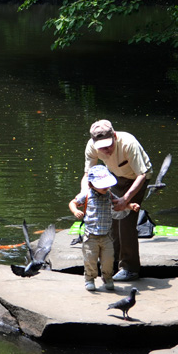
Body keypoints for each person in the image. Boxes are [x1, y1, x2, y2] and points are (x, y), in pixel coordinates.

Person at [80, 119, 152, 282]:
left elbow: (141, 175)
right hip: (113, 178)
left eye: (109, 145)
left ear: (114, 136)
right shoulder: (91, 146)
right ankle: (110, 263)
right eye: (101, 147)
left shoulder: (128, 143)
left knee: (126, 221)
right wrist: (84, 194)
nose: (106, 151)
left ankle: (129, 268)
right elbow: (88, 175)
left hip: (137, 178)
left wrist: (126, 199)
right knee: (110, 219)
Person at [69, 166, 139, 292]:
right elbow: (72, 202)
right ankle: (89, 279)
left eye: (107, 184)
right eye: (103, 185)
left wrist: (130, 206)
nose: (106, 187)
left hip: (106, 236)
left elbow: (119, 203)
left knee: (108, 259)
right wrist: (75, 211)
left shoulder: (109, 194)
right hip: (90, 235)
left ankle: (108, 277)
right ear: (91, 184)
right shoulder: (86, 195)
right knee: (90, 259)